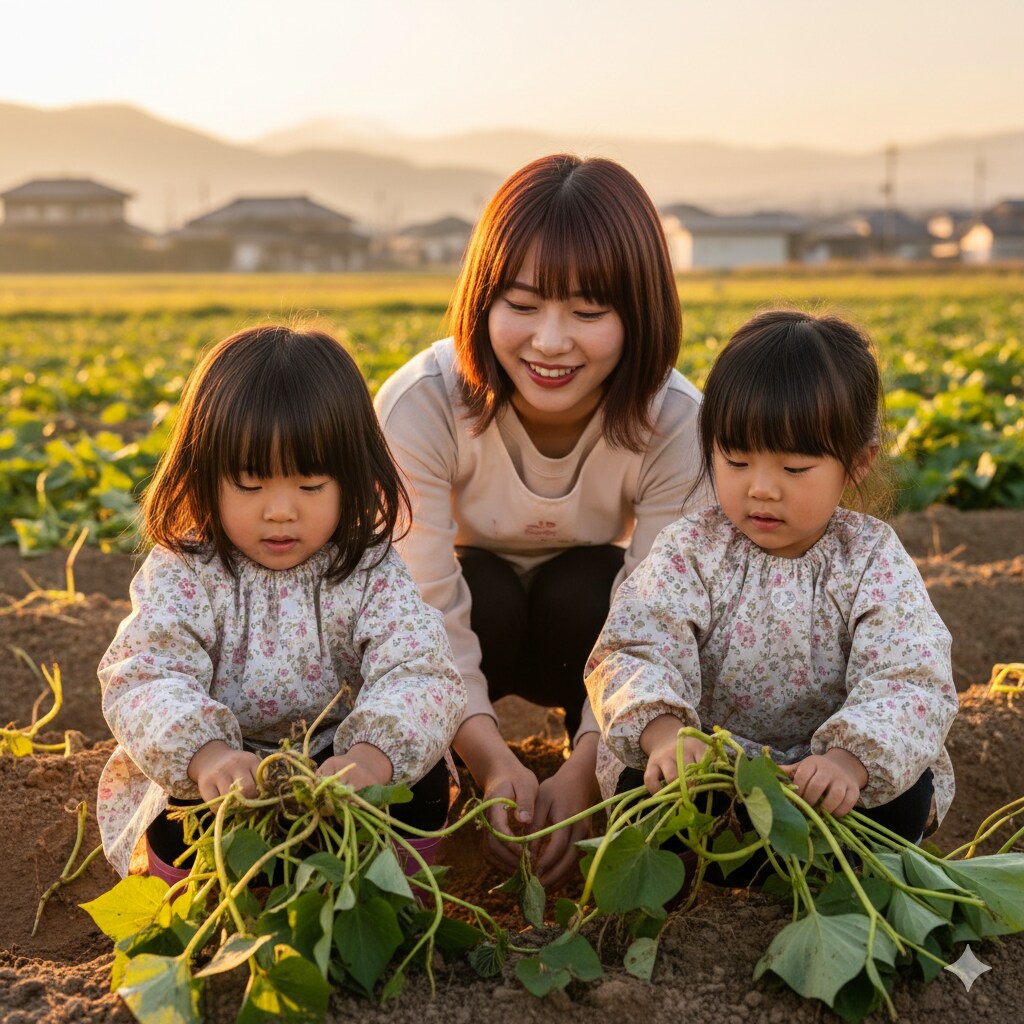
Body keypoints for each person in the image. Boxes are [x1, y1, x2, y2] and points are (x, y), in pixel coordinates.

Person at [375, 154, 704, 885]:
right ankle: (456, 759)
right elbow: (419, 609)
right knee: (478, 588)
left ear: (640, 312)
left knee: (593, 586)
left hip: (583, 636)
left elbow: (652, 619)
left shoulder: (677, 421)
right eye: (521, 306)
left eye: (588, 313)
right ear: (481, 300)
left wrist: (585, 771)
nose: (551, 342)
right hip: (466, 628)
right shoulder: (422, 405)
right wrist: (492, 762)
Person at [96, 325, 466, 883]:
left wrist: (370, 757)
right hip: (225, 773)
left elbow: (421, 671)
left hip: (339, 765)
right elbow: (145, 676)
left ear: (352, 479)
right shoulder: (186, 571)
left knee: (425, 781)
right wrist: (209, 757)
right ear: (204, 474)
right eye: (250, 484)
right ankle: (216, 898)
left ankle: (386, 890)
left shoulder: (369, 568)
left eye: (311, 485)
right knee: (178, 813)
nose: (280, 511)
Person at [586, 309, 958, 846]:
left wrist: (848, 762)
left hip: (823, 784)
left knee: (904, 794)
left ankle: (831, 871)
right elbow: (634, 650)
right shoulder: (691, 550)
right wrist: (666, 737)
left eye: (794, 469)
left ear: (856, 463)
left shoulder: (871, 559)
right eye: (736, 461)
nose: (761, 488)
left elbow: (910, 677)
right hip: (710, 769)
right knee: (640, 783)